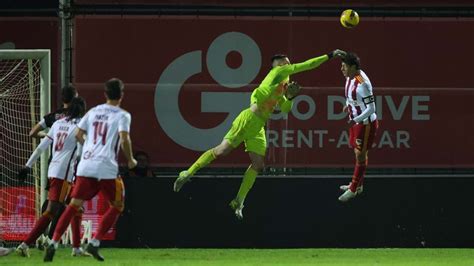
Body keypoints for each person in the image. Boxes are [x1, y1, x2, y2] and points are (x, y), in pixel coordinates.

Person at [174, 49, 346, 219]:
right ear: (279, 64)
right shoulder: (278, 71)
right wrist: (330, 55)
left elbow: (285, 109)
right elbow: (308, 65)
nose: (290, 64)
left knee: (258, 165)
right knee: (221, 151)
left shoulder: (281, 85)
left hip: (258, 126)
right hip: (249, 119)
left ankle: (238, 201)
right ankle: (187, 173)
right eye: (287, 61)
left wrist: (291, 97)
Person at [44, 78, 137, 262]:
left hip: (86, 165)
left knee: (73, 205)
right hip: (106, 167)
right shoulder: (122, 115)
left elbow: (78, 134)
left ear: (105, 94)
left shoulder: (93, 111)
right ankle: (94, 243)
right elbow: (124, 139)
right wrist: (131, 159)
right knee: (117, 205)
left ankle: (53, 242)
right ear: (122, 95)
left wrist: (89, 147)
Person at [15, 97, 87, 257]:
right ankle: (25, 244)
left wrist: (28, 165)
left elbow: (41, 148)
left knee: (77, 207)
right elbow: (81, 153)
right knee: (51, 212)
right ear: (82, 110)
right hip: (64, 173)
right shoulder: (80, 126)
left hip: (53, 169)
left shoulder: (57, 124)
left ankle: (76, 248)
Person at [29, 85, 78, 247]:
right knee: (63, 204)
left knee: (54, 201)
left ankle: (43, 235)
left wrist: (49, 136)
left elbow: (32, 132)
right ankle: (50, 238)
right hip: (69, 166)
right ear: (75, 97)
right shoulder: (77, 117)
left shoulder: (54, 117)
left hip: (53, 164)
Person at [338, 52, 379, 202]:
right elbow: (351, 97)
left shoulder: (363, 84)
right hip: (356, 121)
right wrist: (347, 105)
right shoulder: (349, 77)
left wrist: (356, 118)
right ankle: (358, 185)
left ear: (353, 67)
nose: (341, 69)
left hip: (365, 124)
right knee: (357, 152)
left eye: (344, 66)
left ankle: (354, 189)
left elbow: (372, 108)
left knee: (360, 155)